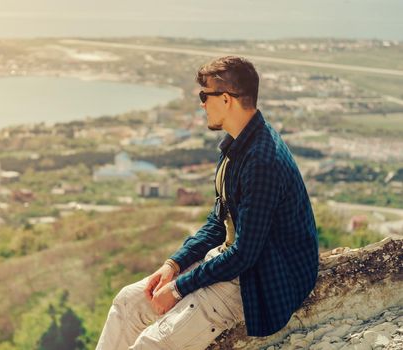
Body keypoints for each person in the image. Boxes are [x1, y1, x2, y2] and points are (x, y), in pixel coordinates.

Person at [96, 56, 319, 350]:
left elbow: (245, 255)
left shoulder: (262, 161)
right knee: (127, 303)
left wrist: (177, 290)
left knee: (151, 344)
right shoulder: (237, 146)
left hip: (257, 278)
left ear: (226, 99)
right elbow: (218, 222)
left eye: (205, 95)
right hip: (229, 262)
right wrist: (173, 265)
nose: (202, 104)